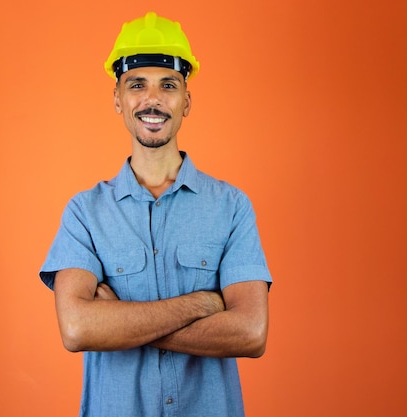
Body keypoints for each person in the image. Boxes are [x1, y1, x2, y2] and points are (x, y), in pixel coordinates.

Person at [39, 11, 272, 417]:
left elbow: (251, 332)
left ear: (186, 100)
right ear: (118, 99)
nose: (153, 99)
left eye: (168, 85)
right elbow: (77, 329)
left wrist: (119, 325)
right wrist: (202, 304)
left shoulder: (232, 207)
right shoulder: (84, 213)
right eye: (136, 85)